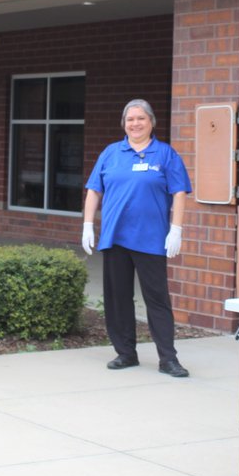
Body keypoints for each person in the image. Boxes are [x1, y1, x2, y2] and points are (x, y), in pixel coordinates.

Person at [82, 99, 192, 377]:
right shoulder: (111, 153)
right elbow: (95, 190)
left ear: (151, 122)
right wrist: (87, 224)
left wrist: (175, 228)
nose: (135, 124)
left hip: (151, 239)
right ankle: (126, 353)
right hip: (115, 238)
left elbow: (179, 192)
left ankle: (168, 358)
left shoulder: (165, 154)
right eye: (130, 119)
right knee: (118, 298)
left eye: (141, 118)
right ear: (124, 124)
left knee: (157, 299)